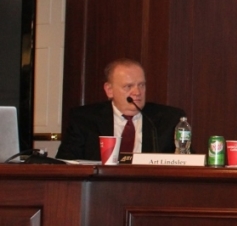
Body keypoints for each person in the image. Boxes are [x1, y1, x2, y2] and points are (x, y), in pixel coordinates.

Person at [56, 58, 186, 161]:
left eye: (141, 85)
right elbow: (65, 162)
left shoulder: (170, 119)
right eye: (128, 86)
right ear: (109, 90)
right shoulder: (84, 119)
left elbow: (187, 160)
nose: (137, 92)